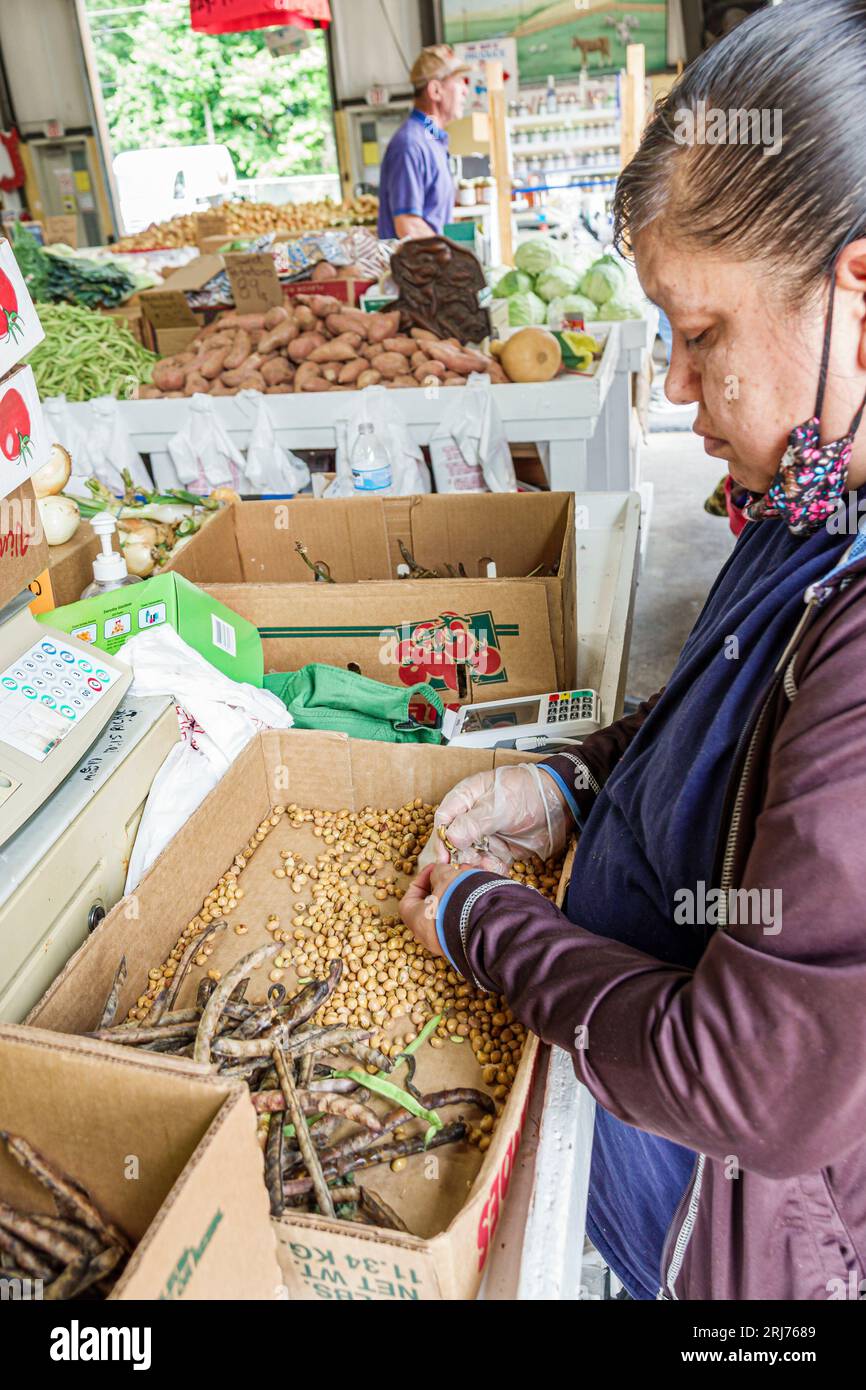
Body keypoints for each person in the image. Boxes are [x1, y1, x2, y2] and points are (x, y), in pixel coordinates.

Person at [400, 0, 866, 1302]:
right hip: (658, 1165)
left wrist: (471, 915)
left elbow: (754, 1080)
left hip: (744, 1245)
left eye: (700, 332)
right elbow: (724, 706)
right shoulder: (816, 497)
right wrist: (566, 780)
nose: (669, 383)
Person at [377, 45, 469, 241]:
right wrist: (453, 257)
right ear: (435, 90)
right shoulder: (410, 145)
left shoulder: (431, 138)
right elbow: (408, 225)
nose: (466, 91)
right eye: (459, 82)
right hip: (415, 269)